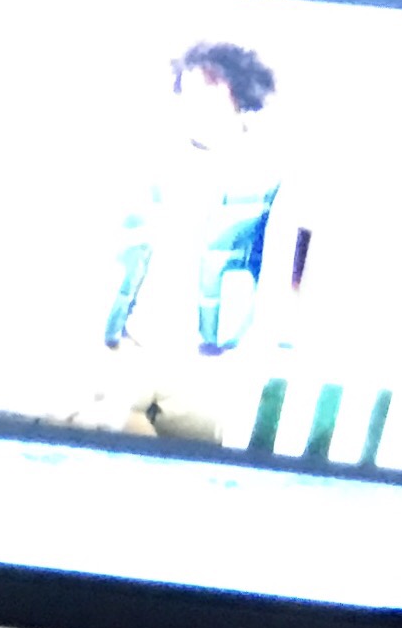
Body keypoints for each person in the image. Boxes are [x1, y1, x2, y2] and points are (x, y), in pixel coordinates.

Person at [91, 40, 307, 442]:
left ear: (238, 94)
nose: (195, 103)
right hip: (132, 345)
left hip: (208, 363)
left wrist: (263, 349)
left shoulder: (270, 173)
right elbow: (112, 242)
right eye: (187, 90)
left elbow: (288, 270)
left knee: (188, 465)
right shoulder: (151, 159)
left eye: (209, 89)